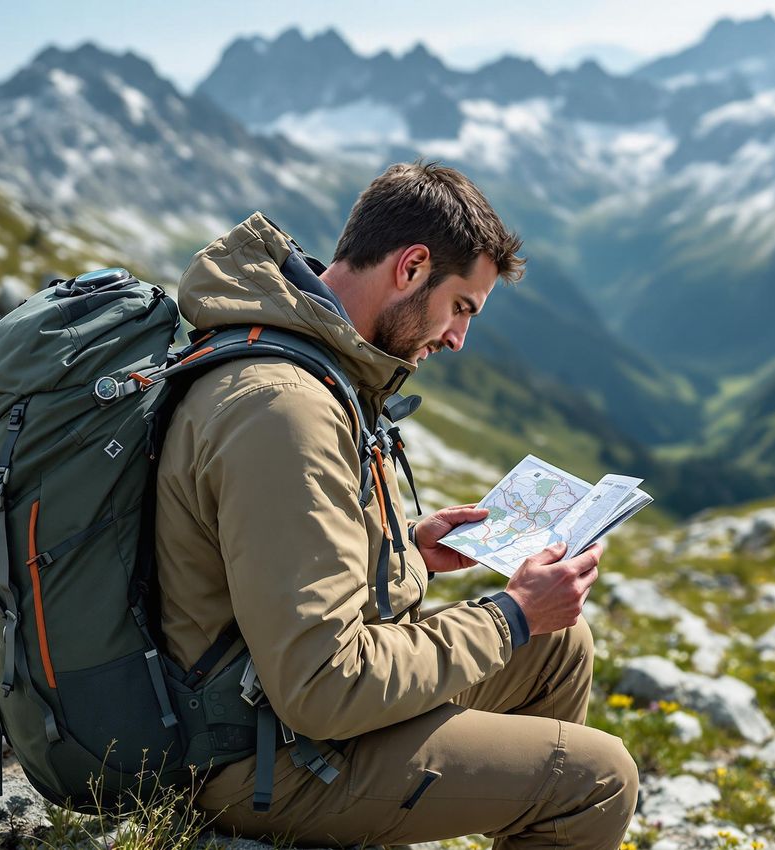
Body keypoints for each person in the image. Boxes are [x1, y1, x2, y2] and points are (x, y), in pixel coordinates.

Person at [154, 161, 639, 849]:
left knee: (558, 644)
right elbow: (323, 685)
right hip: (256, 757)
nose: (458, 338)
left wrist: (410, 551)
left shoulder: (311, 363)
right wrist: (511, 615)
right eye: (462, 307)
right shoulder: (284, 410)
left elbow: (276, 564)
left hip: (265, 707)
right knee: (601, 779)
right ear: (412, 267)